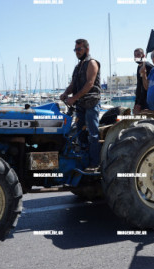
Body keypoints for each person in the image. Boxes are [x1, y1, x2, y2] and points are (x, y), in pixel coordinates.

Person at [60, 39, 101, 171]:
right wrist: (66, 93)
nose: (77, 52)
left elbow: (89, 84)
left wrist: (74, 98)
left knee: (93, 134)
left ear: (86, 49)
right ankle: (84, 161)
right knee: (80, 133)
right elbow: (73, 85)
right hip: (81, 105)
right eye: (75, 50)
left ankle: (95, 164)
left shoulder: (92, 63)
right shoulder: (78, 67)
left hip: (91, 103)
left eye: (79, 49)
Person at [133, 48, 153, 114]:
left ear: (143, 55)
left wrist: (140, 103)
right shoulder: (139, 66)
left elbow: (146, 87)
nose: (136, 57)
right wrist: (136, 102)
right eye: (135, 55)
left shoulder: (147, 66)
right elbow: (139, 86)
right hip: (139, 101)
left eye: (138, 54)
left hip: (146, 102)